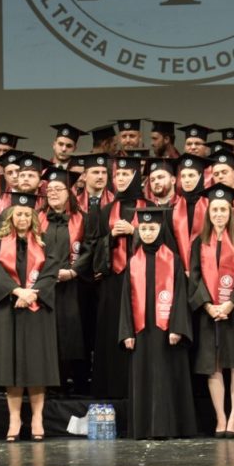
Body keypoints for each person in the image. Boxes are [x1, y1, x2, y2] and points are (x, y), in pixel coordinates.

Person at [0, 193, 60, 441]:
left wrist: (31, 295)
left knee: (37, 364)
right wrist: (17, 291)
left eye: (27, 214)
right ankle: (14, 418)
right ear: (11, 216)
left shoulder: (44, 241)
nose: (23, 218)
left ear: (33, 217)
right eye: (19, 213)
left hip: (37, 309)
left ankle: (37, 417)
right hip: (9, 308)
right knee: (11, 364)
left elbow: (50, 272)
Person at [119, 207, 196, 439]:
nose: (148, 232)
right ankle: (144, 428)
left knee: (167, 378)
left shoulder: (172, 259)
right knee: (144, 379)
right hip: (141, 332)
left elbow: (181, 296)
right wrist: (127, 332)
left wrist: (177, 327)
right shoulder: (133, 261)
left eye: (152, 228)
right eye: (143, 228)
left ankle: (170, 427)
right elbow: (125, 299)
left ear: (161, 228)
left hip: (166, 333)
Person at [189, 185, 234, 437]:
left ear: (230, 212)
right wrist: (208, 305)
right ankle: (221, 417)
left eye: (223, 209)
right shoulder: (199, 243)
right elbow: (194, 276)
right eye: (214, 209)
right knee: (213, 366)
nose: (218, 214)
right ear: (208, 213)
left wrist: (231, 302)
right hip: (208, 313)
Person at [89, 156, 146, 399]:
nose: (121, 178)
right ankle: (113, 392)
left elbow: (164, 243)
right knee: (112, 335)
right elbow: (94, 246)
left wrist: (134, 231)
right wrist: (111, 236)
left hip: (142, 278)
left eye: (126, 174)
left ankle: (139, 390)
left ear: (136, 176)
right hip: (113, 279)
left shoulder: (149, 206)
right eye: (118, 175)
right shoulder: (104, 211)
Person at [38, 169, 90, 393]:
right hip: (44, 286)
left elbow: (89, 249)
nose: (53, 193)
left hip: (73, 286)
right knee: (48, 331)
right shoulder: (37, 219)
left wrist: (74, 271)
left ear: (69, 192)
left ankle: (76, 380)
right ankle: (52, 380)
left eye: (58, 189)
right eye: (49, 190)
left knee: (73, 331)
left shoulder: (82, 219)